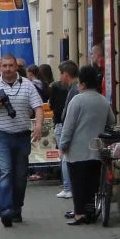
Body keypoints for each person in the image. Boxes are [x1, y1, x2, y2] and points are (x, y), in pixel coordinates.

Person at [0, 54, 45, 227]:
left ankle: (17, 208)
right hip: (1, 136)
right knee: (6, 172)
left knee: (20, 176)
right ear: (0, 67)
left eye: (11, 66)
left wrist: (38, 126)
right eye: (4, 66)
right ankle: (6, 210)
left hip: (22, 136)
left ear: (16, 67)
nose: (8, 69)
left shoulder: (27, 85)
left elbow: (38, 108)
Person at [58, 65, 115, 225]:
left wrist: (63, 145)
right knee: (92, 183)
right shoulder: (103, 100)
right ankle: (90, 211)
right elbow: (111, 121)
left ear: (82, 83)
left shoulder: (77, 100)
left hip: (77, 151)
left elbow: (68, 126)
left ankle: (79, 214)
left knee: (78, 184)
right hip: (96, 149)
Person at [50, 61, 79, 200]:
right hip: (68, 126)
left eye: (61, 74)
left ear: (66, 74)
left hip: (64, 126)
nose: (60, 78)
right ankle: (70, 187)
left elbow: (67, 112)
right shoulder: (74, 88)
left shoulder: (73, 89)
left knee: (65, 157)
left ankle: (68, 187)